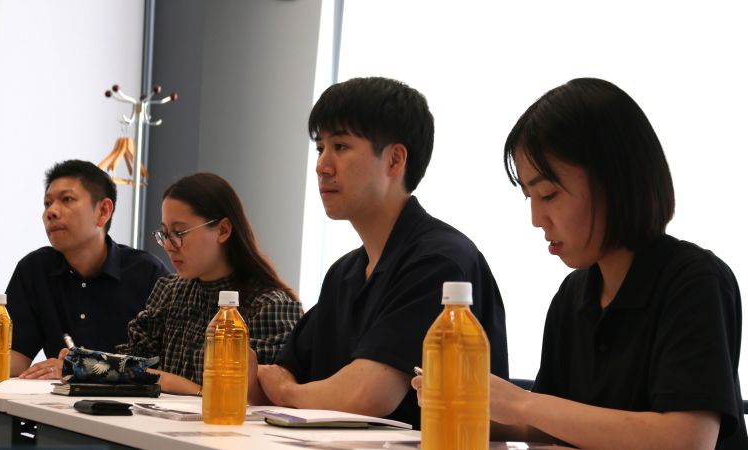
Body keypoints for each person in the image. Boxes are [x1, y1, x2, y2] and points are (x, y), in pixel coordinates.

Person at [415, 77, 747, 449]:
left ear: (614, 181)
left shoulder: (694, 281)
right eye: (529, 197)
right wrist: (459, 404)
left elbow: (688, 439)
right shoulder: (574, 294)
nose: (536, 219)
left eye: (548, 194)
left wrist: (522, 403)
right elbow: (551, 427)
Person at [250, 76, 509, 428]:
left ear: (394, 160)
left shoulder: (439, 261)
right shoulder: (344, 273)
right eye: (320, 148)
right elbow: (278, 373)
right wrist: (272, 383)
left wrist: (288, 392)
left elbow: (365, 396)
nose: (322, 165)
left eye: (341, 146)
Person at [0, 160, 169, 379]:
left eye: (67, 199)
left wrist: (83, 369)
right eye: (47, 203)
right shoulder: (35, 269)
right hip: (55, 399)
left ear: (103, 211)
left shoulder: (148, 274)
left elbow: (166, 370)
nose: (51, 212)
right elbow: (18, 356)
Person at [115, 172, 303, 395]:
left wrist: (187, 388)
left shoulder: (269, 307)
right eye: (164, 234)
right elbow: (130, 366)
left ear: (223, 230)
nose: (169, 246)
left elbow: (263, 399)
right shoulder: (169, 291)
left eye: (179, 233)